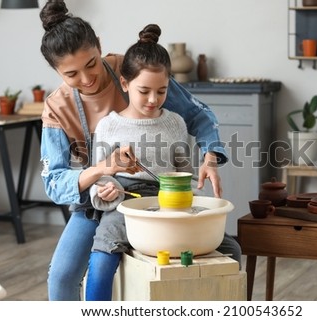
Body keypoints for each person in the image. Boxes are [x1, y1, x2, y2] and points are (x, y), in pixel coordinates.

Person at [38, 0, 241, 301]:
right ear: (57, 72)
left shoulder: (133, 69)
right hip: (98, 201)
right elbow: (54, 182)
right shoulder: (56, 108)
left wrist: (210, 157)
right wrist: (102, 171)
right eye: (71, 74)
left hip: (158, 194)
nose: (87, 79)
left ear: (100, 47)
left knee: (227, 250)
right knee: (62, 276)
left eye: (91, 63)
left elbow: (198, 116)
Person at [85, 24, 210, 300]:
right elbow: (100, 176)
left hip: (167, 201)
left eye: (162, 91)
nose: (153, 100)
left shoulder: (175, 123)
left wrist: (195, 202)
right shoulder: (109, 126)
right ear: (125, 84)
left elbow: (185, 175)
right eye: (144, 91)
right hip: (123, 203)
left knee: (230, 250)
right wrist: (104, 189)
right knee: (102, 258)